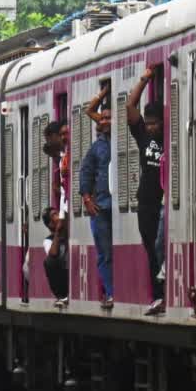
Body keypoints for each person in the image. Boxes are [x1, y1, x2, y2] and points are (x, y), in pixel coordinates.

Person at [127, 67, 167, 316]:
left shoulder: (169, 139)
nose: (151, 127)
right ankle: (157, 296)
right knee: (151, 247)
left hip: (165, 200)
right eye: (148, 123)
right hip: (147, 201)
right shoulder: (143, 136)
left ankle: (165, 292)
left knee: (161, 243)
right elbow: (130, 108)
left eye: (155, 123)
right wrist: (144, 80)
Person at [79, 85, 115, 310]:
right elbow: (85, 173)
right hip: (101, 206)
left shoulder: (124, 139)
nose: (103, 121)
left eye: (108, 118)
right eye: (101, 118)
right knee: (105, 253)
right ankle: (111, 292)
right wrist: (87, 199)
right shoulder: (96, 147)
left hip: (117, 204)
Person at [41, 207, 69, 308]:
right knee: (48, 261)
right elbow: (53, 254)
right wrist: (57, 232)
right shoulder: (48, 241)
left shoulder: (69, 233)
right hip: (62, 279)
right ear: (50, 224)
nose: (58, 217)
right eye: (54, 215)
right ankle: (61, 296)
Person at [44, 120, 70, 212]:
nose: (48, 142)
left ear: (55, 135)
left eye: (48, 139)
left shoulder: (68, 154)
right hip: (65, 208)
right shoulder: (62, 157)